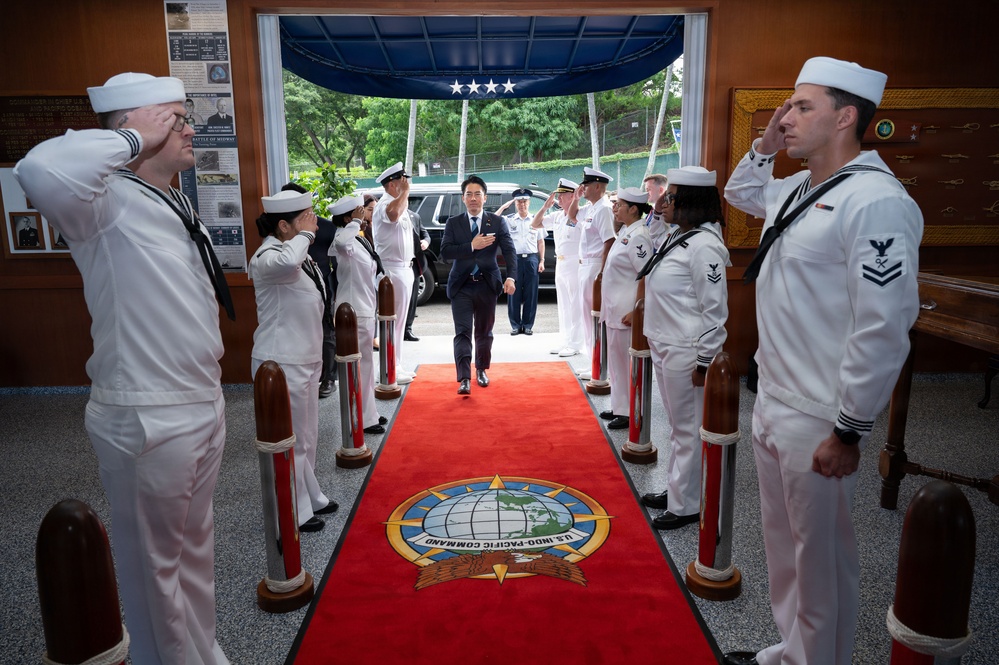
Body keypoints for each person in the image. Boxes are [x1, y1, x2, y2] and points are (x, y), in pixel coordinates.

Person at [14, 72, 232, 664]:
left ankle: (202, 654)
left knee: (194, 552)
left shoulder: (169, 198)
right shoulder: (101, 201)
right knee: (152, 572)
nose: (189, 128)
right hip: (147, 413)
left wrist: (147, 133)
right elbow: (38, 169)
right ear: (131, 128)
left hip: (200, 402)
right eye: (176, 118)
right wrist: (133, 138)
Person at [722, 57, 923, 665]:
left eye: (802, 106)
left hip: (820, 415)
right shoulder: (794, 189)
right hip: (774, 398)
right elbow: (738, 192)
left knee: (822, 558)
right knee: (784, 549)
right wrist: (761, 146)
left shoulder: (877, 202)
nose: (786, 117)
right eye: (787, 106)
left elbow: (882, 328)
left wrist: (850, 428)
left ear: (846, 116)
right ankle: (794, 650)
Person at [636, 166, 730, 530]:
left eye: (671, 196)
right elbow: (647, 242)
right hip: (665, 343)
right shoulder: (681, 234)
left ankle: (687, 504)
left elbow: (715, 310)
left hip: (686, 349)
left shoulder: (705, 246)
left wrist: (705, 361)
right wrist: (658, 212)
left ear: (690, 201)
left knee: (688, 428)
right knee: (678, 426)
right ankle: (677, 490)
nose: (663, 202)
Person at [249, 189, 338, 533]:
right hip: (281, 361)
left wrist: (303, 234)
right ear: (284, 226)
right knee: (294, 438)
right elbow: (288, 263)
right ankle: (296, 507)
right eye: (305, 217)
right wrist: (304, 235)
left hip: (305, 357)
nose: (314, 222)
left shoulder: (297, 251)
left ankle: (310, 493)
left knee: (308, 435)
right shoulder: (268, 257)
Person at [440, 175, 518, 395]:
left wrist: (511, 277)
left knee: (484, 331)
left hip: (487, 285)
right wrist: (471, 246)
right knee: (462, 332)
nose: (473, 198)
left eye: (477, 194)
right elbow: (445, 253)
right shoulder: (453, 223)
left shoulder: (497, 221)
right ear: (463, 198)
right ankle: (464, 377)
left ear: (485, 197)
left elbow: (510, 251)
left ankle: (481, 369)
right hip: (461, 286)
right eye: (469, 194)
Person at [328, 194, 388, 435]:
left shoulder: (359, 239)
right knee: (359, 366)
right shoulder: (343, 239)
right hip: (352, 311)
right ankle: (362, 418)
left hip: (364, 308)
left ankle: (368, 414)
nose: (364, 212)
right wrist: (354, 222)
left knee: (366, 364)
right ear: (347, 217)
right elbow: (342, 243)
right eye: (358, 210)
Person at [596, 187, 653, 430]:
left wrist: (638, 309)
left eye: (619, 204)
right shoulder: (627, 231)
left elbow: (647, 275)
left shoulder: (639, 235)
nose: (615, 207)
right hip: (614, 309)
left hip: (626, 312)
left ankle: (630, 411)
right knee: (617, 362)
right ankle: (620, 406)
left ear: (633, 209)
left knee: (626, 363)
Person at [282, 183, 337, 399]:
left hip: (321, 283)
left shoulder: (324, 227)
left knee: (326, 331)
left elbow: (337, 258)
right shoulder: (283, 229)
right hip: (294, 287)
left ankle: (329, 377)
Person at [567, 167, 616, 381]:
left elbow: (609, 242)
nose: (583, 188)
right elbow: (572, 217)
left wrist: (603, 272)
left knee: (595, 318)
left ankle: (600, 364)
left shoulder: (604, 209)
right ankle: (593, 362)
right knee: (587, 317)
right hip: (584, 266)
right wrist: (576, 198)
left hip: (595, 266)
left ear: (598, 187)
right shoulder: (591, 208)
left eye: (586, 185)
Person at [371, 162, 417, 383]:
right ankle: (389, 368)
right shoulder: (385, 204)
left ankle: (396, 365)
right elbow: (392, 215)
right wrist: (405, 193)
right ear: (392, 184)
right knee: (391, 322)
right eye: (402, 181)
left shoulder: (398, 202)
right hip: (391, 269)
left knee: (398, 322)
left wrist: (404, 195)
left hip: (404, 268)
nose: (406, 183)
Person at [533, 178, 584, 357]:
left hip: (575, 262)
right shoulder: (556, 216)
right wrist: (545, 207)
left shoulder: (580, 214)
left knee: (575, 304)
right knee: (563, 304)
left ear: (572, 196)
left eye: (562, 196)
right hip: (560, 263)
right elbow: (535, 224)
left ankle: (576, 343)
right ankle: (565, 340)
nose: (558, 199)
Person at [501, 188, 544, 335]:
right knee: (513, 293)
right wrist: (503, 207)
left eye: (525, 201)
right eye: (519, 202)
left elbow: (541, 242)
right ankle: (515, 325)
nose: (522, 204)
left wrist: (542, 260)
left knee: (531, 294)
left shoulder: (535, 220)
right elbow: (492, 220)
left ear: (529, 202)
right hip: (515, 260)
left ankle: (527, 325)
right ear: (515, 203)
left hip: (532, 259)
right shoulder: (509, 220)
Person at [404, 207, 430, 341]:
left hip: (414, 263)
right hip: (396, 264)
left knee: (413, 298)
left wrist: (425, 241)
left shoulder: (414, 216)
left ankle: (408, 329)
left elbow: (425, 234)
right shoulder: (390, 214)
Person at [641, 173, 671, 247]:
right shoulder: (651, 212)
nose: (646, 193)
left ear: (661, 190)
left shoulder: (668, 213)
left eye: (649, 189)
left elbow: (661, 242)